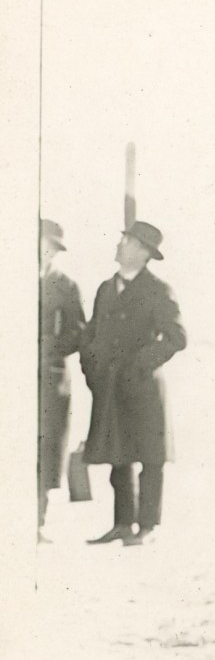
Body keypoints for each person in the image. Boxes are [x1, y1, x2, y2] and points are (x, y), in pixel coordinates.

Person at [82, 219, 185, 545]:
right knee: (118, 456)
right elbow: (92, 333)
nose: (119, 245)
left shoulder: (157, 290)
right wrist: (91, 367)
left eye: (126, 241)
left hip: (143, 387)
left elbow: (176, 338)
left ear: (142, 252)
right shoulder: (105, 288)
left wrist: (141, 363)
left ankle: (148, 527)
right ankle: (123, 525)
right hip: (110, 384)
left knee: (150, 459)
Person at [38, 217, 84, 536]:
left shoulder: (65, 286)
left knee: (46, 448)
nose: (46, 253)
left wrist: (49, 347)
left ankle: (36, 521)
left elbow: (78, 332)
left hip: (50, 380)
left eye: (51, 249)